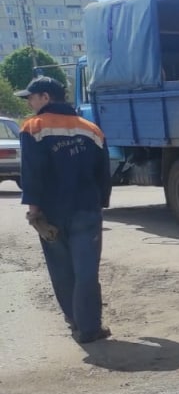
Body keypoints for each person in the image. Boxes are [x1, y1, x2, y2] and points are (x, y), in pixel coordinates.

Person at [17, 75, 114, 343]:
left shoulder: (33, 128)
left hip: (52, 212)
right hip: (86, 210)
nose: (29, 103)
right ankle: (90, 328)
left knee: (61, 269)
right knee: (86, 272)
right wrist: (101, 203)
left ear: (46, 97)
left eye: (31, 97)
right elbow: (103, 172)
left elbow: (32, 173)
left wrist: (34, 210)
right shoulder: (92, 129)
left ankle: (74, 320)